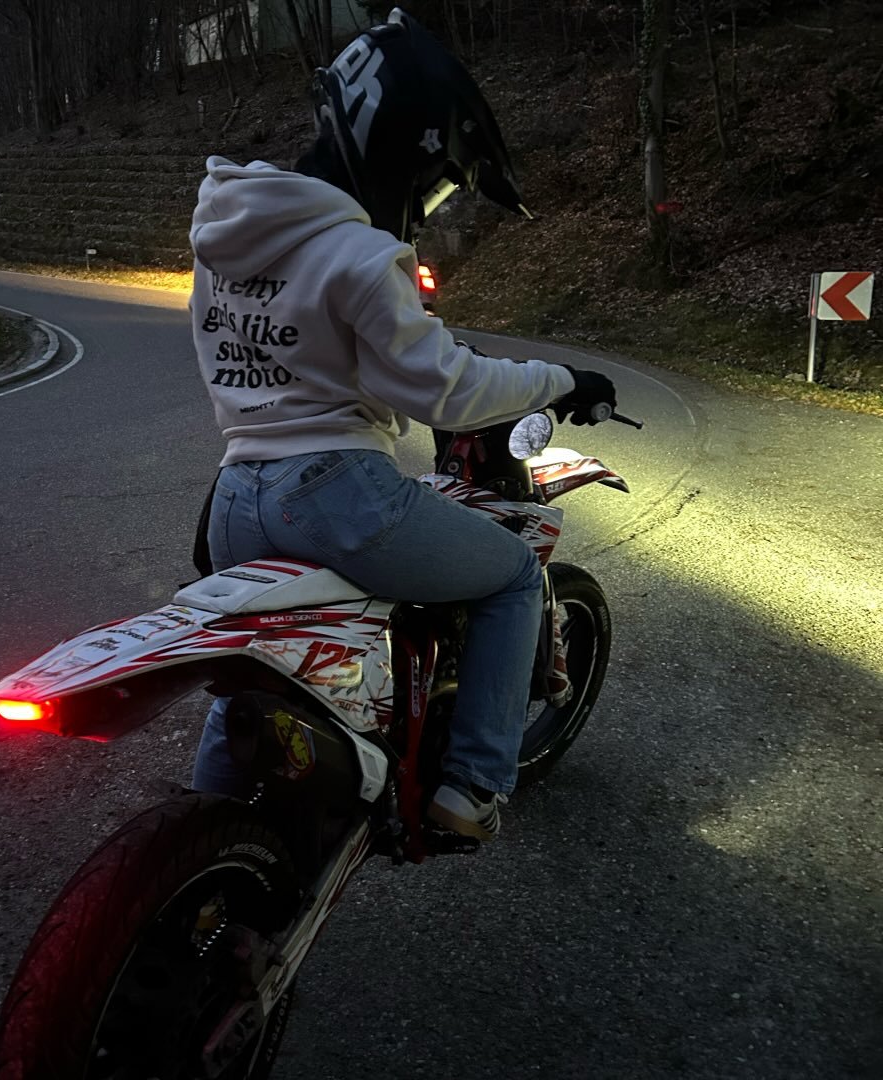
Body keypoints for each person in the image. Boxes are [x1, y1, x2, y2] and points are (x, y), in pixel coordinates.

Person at [188, 8, 615, 840]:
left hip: (233, 498)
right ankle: (472, 787)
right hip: (336, 496)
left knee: (255, 661)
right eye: (437, 181)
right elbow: (444, 391)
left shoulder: (224, 230)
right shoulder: (360, 253)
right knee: (512, 577)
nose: (427, 202)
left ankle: (207, 829)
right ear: (400, 151)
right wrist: (561, 379)